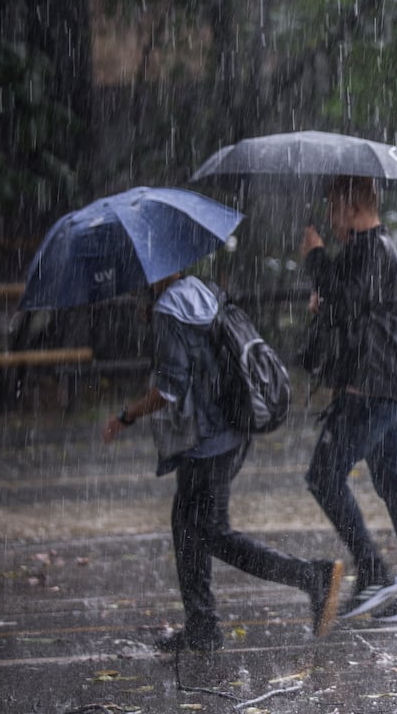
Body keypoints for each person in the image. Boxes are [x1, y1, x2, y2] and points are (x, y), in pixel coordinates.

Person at [102, 272, 344, 653]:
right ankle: (201, 625)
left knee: (209, 531)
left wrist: (125, 416)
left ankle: (311, 576)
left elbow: (169, 389)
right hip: (233, 426)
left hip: (207, 442)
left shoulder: (170, 309)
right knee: (187, 526)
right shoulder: (202, 291)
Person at [299, 175, 397, 622]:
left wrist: (315, 258)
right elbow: (350, 307)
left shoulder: (372, 249)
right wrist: (325, 299)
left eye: (333, 207)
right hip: (388, 387)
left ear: (352, 208)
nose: (330, 216)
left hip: (373, 390)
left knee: (324, 476)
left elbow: (348, 301)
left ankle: (374, 572)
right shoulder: (369, 250)